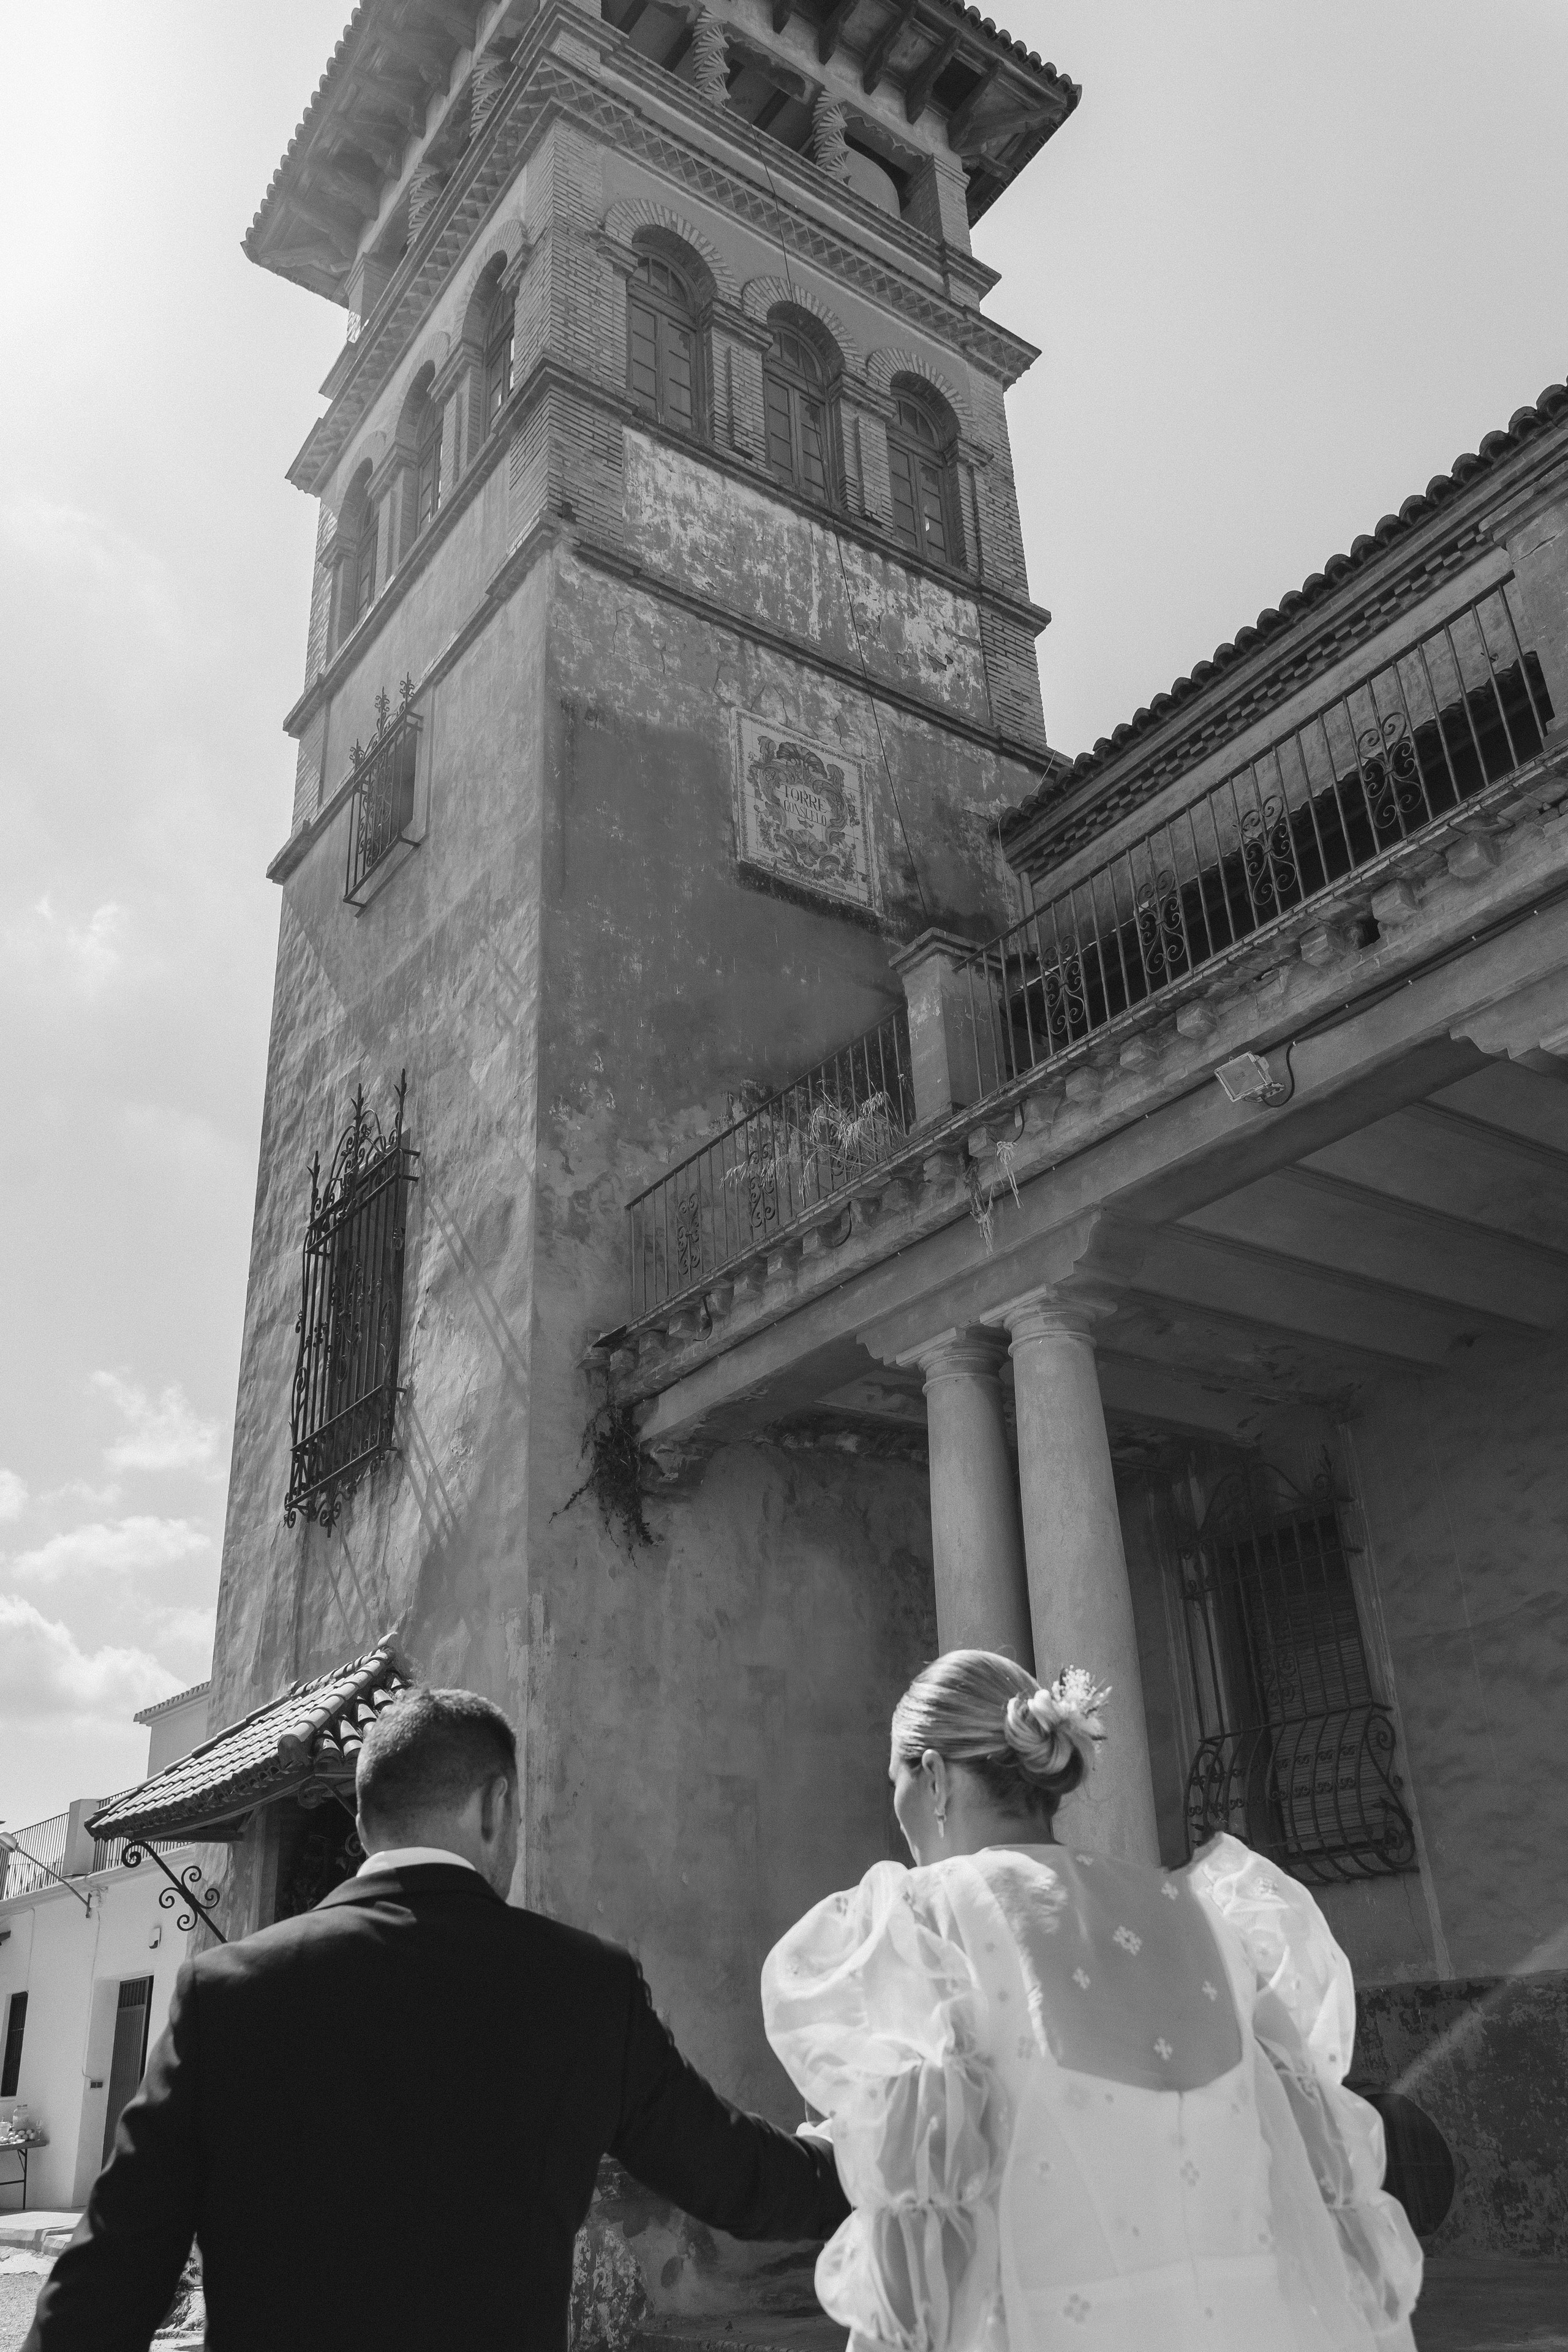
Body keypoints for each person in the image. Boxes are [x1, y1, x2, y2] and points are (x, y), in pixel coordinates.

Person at [27, 1686, 848, 2351]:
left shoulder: (225, 1991)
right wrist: (859, 2153)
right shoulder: (585, 1987)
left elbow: (110, 2278)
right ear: (495, 1806)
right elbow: (733, 2175)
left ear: (362, 1824)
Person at [762, 1649, 1423, 2352]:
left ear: (932, 1777)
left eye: (893, 1780)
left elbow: (916, 2269)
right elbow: (1323, 2182)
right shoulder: (1212, 1917)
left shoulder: (929, 1922)